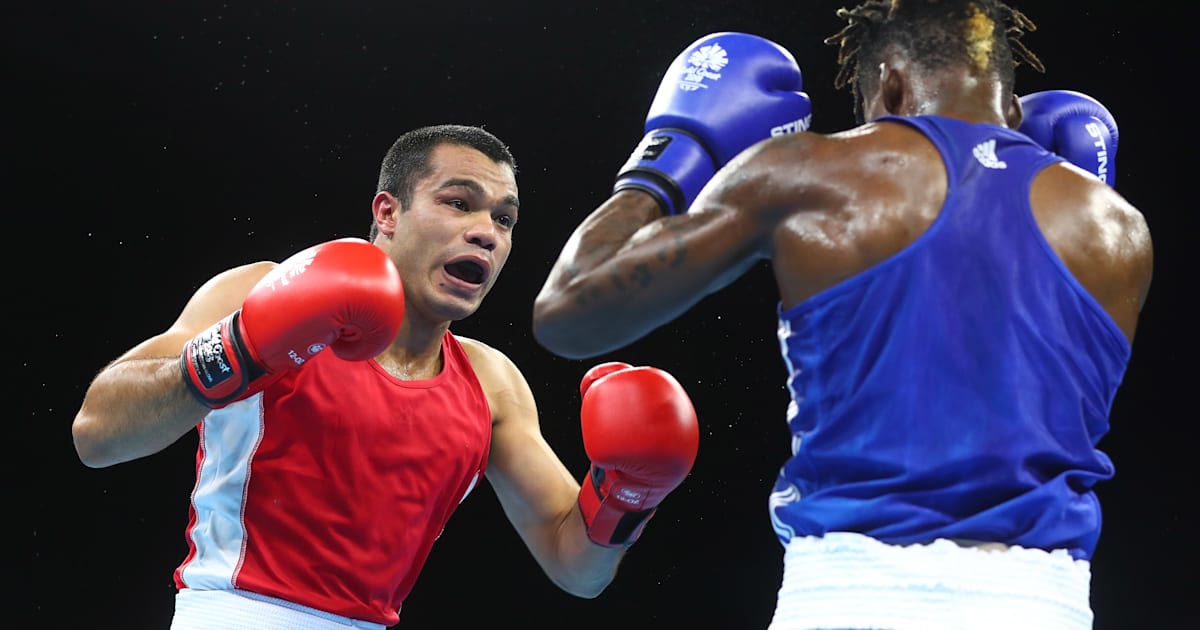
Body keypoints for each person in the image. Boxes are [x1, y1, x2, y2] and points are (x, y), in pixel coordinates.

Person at [531, 2, 1152, 628]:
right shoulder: (1118, 228)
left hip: (850, 592)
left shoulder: (811, 172)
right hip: (1045, 604)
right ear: (1013, 109)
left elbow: (567, 316)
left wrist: (671, 157)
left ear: (888, 84)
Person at [71, 124, 701, 629]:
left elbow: (577, 568)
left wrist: (628, 494)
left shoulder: (492, 382)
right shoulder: (265, 291)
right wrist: (242, 348)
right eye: (458, 203)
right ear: (388, 211)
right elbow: (97, 434)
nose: (485, 232)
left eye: (504, 220)